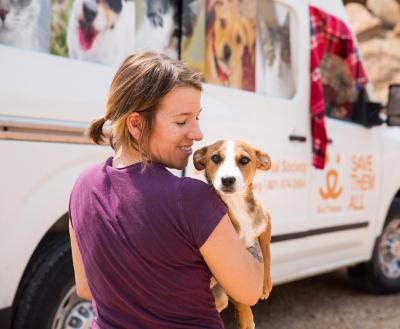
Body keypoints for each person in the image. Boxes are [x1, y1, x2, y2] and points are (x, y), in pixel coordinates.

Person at [69, 51, 264, 329]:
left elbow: (86, 287)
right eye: (182, 121)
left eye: (197, 118)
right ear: (136, 124)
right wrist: (248, 218)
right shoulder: (192, 198)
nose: (197, 134)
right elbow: (250, 290)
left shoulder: (83, 186)